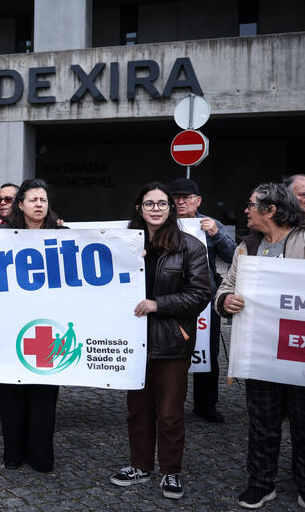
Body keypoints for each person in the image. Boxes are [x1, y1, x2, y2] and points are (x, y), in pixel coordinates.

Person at [215, 182, 305, 510]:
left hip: (303, 351)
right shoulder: (248, 246)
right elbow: (227, 285)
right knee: (262, 422)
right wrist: (225, 300)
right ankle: (260, 483)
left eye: (251, 205)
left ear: (270, 210)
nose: (246, 210)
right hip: (260, 351)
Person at [110, 182, 211, 500]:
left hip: (171, 341)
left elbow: (200, 294)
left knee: (169, 412)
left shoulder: (190, 246)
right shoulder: (124, 245)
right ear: (139, 209)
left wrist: (159, 304)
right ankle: (140, 466)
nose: (155, 208)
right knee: (138, 410)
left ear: (170, 208)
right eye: (149, 203)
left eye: (162, 203)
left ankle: (171, 471)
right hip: (133, 339)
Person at [0, 178, 64, 473]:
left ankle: (40, 455)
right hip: (11, 325)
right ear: (20, 205)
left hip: (47, 327)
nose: (39, 204)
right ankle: (13, 453)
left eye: (43, 200)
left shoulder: (64, 236)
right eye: (33, 199)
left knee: (43, 393)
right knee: (11, 391)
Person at [170, 177, 236, 423]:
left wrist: (217, 234)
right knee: (167, 355)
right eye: (176, 198)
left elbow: (234, 256)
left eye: (186, 198)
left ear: (198, 201)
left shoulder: (211, 224)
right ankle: (168, 405)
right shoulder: (161, 222)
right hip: (170, 299)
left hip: (204, 302)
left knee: (207, 353)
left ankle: (206, 405)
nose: (181, 202)